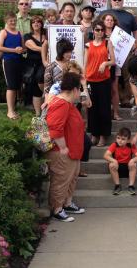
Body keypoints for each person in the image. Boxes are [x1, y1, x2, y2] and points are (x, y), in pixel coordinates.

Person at [45, 72, 86, 222]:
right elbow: (55, 129)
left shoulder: (67, 104)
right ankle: (57, 209)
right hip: (61, 152)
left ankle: (67, 203)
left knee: (71, 178)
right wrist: (63, 147)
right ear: (74, 89)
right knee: (61, 180)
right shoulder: (61, 104)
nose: (80, 93)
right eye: (80, 89)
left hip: (72, 151)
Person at [84, 20, 116, 147]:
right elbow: (85, 64)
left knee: (104, 109)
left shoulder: (108, 43)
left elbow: (113, 61)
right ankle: (94, 134)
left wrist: (105, 63)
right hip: (91, 80)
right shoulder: (88, 45)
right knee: (92, 109)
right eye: (97, 30)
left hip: (103, 81)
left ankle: (103, 136)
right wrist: (83, 80)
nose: (100, 32)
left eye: (102, 30)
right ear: (93, 31)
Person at [0, 12, 25, 120]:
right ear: (6, 22)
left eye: (14, 20)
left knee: (16, 86)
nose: (13, 22)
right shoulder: (4, 32)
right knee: (11, 86)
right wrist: (14, 50)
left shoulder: (19, 33)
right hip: (8, 61)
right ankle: (10, 111)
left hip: (19, 61)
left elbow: (22, 48)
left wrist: (22, 50)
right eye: (10, 21)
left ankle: (13, 109)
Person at [104, 127, 137, 195]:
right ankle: (117, 185)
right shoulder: (114, 145)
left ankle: (131, 186)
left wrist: (133, 160)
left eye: (123, 139)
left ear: (128, 140)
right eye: (118, 138)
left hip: (128, 168)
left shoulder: (130, 146)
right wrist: (114, 160)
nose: (120, 141)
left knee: (133, 164)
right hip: (117, 168)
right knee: (111, 164)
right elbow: (106, 155)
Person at [100, 13, 123, 121]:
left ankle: (116, 113)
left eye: (111, 20)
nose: (109, 22)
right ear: (103, 21)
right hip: (102, 63)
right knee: (103, 89)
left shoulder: (119, 34)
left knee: (114, 88)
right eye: (107, 20)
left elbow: (127, 46)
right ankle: (105, 113)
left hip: (115, 63)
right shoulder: (99, 32)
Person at [23, 15, 47, 116]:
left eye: (38, 22)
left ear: (41, 24)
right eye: (33, 22)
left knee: (42, 81)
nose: (36, 24)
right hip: (32, 65)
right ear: (31, 25)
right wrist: (47, 48)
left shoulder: (46, 34)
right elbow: (33, 47)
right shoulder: (27, 36)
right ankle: (38, 114)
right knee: (35, 89)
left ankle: (46, 99)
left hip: (45, 64)